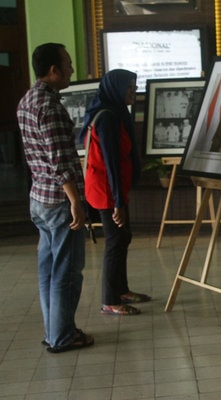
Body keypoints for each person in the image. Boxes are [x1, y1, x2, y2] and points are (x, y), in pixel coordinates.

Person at [16, 42, 94, 353]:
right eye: (68, 64)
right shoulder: (50, 107)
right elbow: (60, 160)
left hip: (38, 198)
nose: (72, 69)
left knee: (48, 270)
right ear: (54, 70)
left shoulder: (27, 101)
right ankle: (63, 337)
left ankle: (55, 332)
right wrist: (75, 201)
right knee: (67, 270)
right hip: (60, 203)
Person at [79, 69, 151, 315]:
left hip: (113, 188)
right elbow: (110, 163)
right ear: (116, 89)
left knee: (123, 237)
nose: (133, 92)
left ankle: (122, 290)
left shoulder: (117, 112)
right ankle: (110, 300)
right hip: (107, 190)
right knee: (115, 241)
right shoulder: (108, 117)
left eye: (134, 86)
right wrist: (118, 201)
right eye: (129, 87)